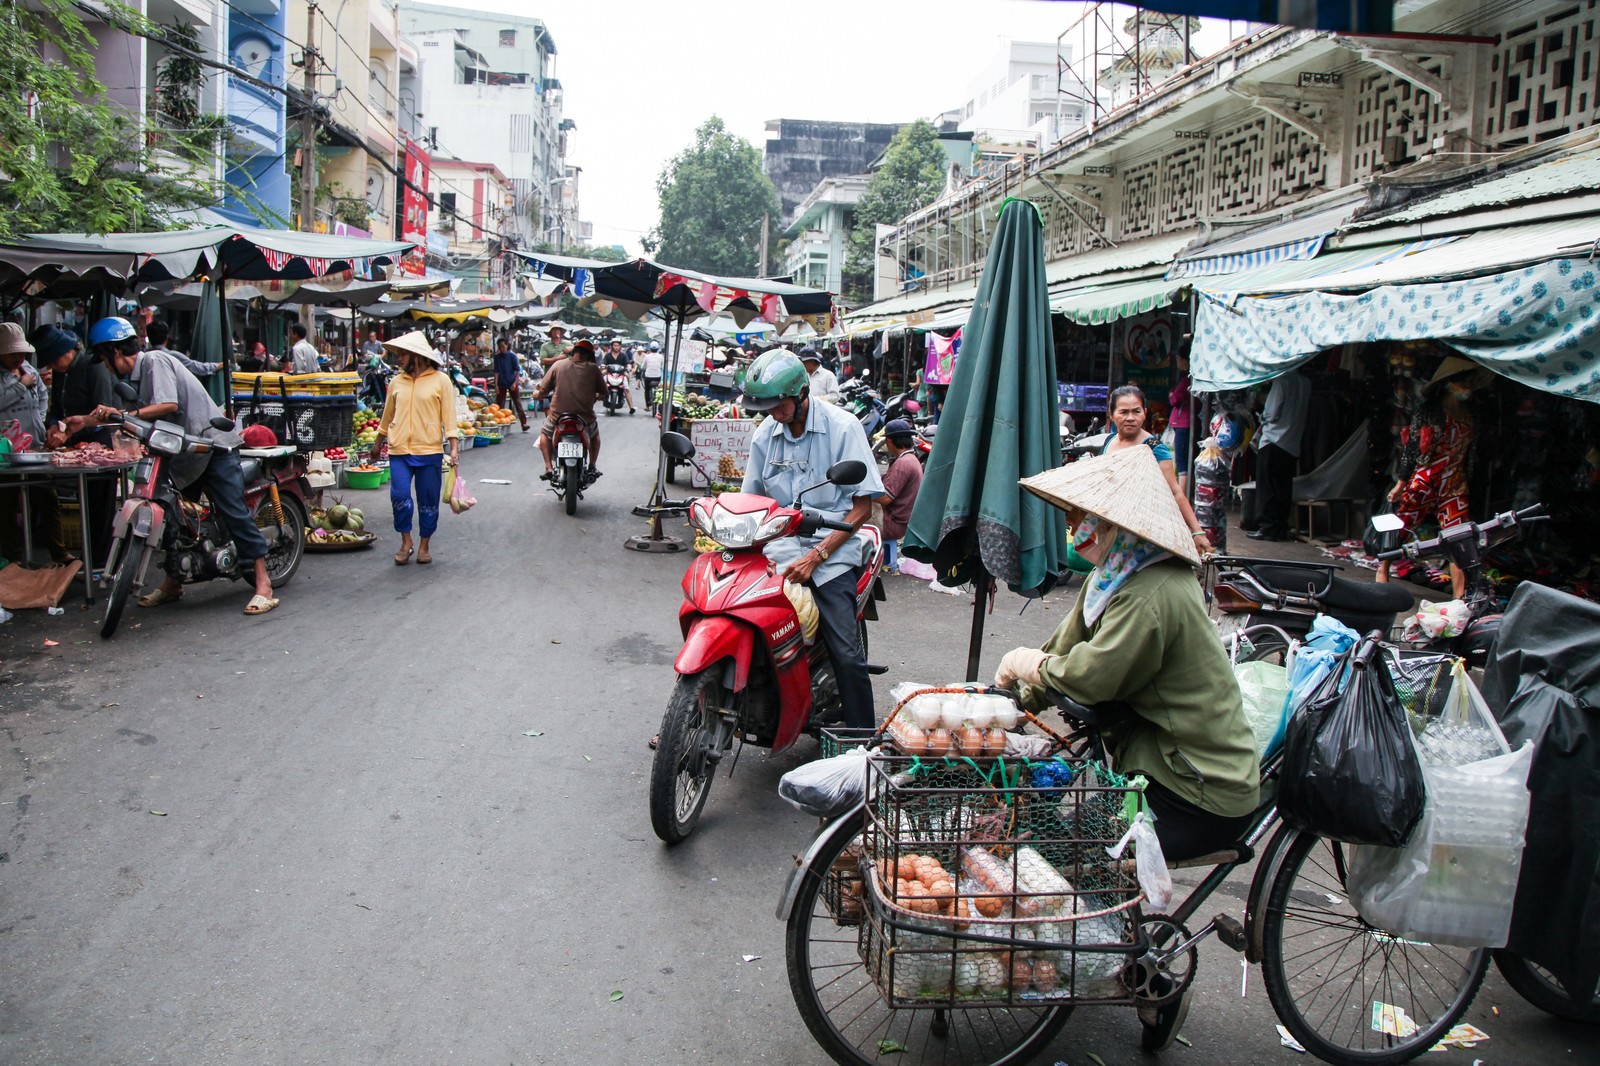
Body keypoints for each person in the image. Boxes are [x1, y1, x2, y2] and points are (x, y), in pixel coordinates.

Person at [80, 316, 280, 615]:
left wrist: (124, 414)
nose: (107, 368)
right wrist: (96, 420)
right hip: (181, 453)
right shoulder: (136, 380)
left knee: (233, 510)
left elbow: (168, 404)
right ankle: (173, 580)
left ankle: (263, 584)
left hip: (212, 444)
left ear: (116, 352)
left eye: (106, 360)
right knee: (172, 515)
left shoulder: (153, 361)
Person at [740, 349, 886, 729]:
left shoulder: (843, 427)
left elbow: (862, 509)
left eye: (779, 405)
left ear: (801, 393)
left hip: (831, 551)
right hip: (779, 548)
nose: (774, 413)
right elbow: (752, 499)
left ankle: (860, 738)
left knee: (845, 650)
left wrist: (816, 556)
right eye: (767, 407)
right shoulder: (764, 435)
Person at [1376, 356, 1487, 599]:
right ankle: (1382, 569)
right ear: (1448, 383)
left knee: (1459, 537)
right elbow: (1413, 449)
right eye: (1462, 381)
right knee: (1401, 526)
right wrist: (1401, 483)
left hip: (1454, 483)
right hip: (1425, 481)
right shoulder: (1429, 413)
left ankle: (1459, 597)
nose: (1467, 387)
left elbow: (1471, 453)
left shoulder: (1470, 416)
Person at [369, 331, 460, 566]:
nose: (398, 359)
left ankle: (424, 545)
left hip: (429, 450)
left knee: (428, 501)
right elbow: (387, 415)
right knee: (399, 496)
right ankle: (406, 541)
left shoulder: (441, 381)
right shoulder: (397, 382)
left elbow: (449, 416)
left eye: (402, 354)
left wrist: (453, 448)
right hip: (399, 449)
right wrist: (378, 443)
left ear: (416, 356)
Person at [1101, 385, 1213, 553]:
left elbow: (1175, 492)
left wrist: (1197, 531)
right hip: (1112, 525)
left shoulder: (1154, 447)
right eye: (1123, 412)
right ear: (1111, 414)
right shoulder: (1109, 441)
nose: (1130, 417)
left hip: (1143, 531)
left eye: (1136, 411)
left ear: (1145, 413)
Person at [0, 323, 68, 566]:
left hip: (35, 447)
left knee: (47, 498)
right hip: (6, 452)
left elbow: (42, 396)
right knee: (6, 504)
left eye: (21, 353)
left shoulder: (29, 370)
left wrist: (40, 419)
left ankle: (59, 553)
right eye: (13, 353)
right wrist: (20, 385)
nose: (19, 358)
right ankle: (13, 558)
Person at [1249, 367, 1311, 542]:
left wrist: (1262, 416)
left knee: (1267, 486)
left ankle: (1267, 527)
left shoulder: (1282, 381)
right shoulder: (1306, 383)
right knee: (1283, 487)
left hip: (1273, 439)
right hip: (1292, 442)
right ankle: (1280, 527)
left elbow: (1271, 413)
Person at [533, 338, 604, 481]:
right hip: (585, 418)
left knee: (545, 434)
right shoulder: (593, 369)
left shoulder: (558, 365)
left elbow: (543, 390)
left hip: (558, 417)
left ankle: (548, 467)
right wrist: (593, 398)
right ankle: (592, 465)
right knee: (595, 436)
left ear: (574, 352)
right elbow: (603, 393)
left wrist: (537, 394)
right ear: (588, 355)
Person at [877, 418, 923, 575]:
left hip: (894, 523)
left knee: (853, 510)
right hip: (904, 519)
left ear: (889, 441)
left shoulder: (903, 464)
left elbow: (885, 498)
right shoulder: (911, 459)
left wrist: (860, 494)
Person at [145, 322, 221, 377]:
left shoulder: (144, 356)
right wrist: (219, 365)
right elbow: (197, 367)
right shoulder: (172, 356)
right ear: (167, 337)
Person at [491, 336, 531, 432]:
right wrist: (496, 385)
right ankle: (500, 424)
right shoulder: (497, 357)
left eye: (503, 346)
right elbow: (496, 372)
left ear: (507, 346)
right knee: (500, 404)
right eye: (499, 347)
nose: (501, 348)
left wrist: (514, 383)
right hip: (501, 383)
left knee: (517, 403)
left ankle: (523, 423)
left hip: (511, 382)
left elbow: (517, 371)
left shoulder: (512, 356)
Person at [1169, 345, 1194, 493]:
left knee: (1182, 462)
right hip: (1184, 423)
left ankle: (1181, 495)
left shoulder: (1187, 380)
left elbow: (1175, 399)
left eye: (1178, 359)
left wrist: (1172, 394)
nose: (1177, 362)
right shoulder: (1187, 380)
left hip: (1184, 423)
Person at [604, 338, 637, 414]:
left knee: (626, 389)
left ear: (620, 346)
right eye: (614, 345)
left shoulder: (623, 355)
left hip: (621, 374)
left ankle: (631, 407)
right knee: (601, 382)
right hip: (609, 374)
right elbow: (604, 364)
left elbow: (628, 363)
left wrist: (629, 367)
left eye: (617, 345)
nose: (616, 347)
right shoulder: (608, 355)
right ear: (612, 346)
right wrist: (603, 367)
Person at [639, 340, 665, 414]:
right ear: (658, 349)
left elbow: (643, 367)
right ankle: (659, 404)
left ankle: (648, 405)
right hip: (658, 377)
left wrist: (644, 368)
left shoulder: (647, 357)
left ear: (650, 348)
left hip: (648, 376)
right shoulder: (661, 357)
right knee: (659, 390)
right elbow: (663, 366)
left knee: (647, 390)